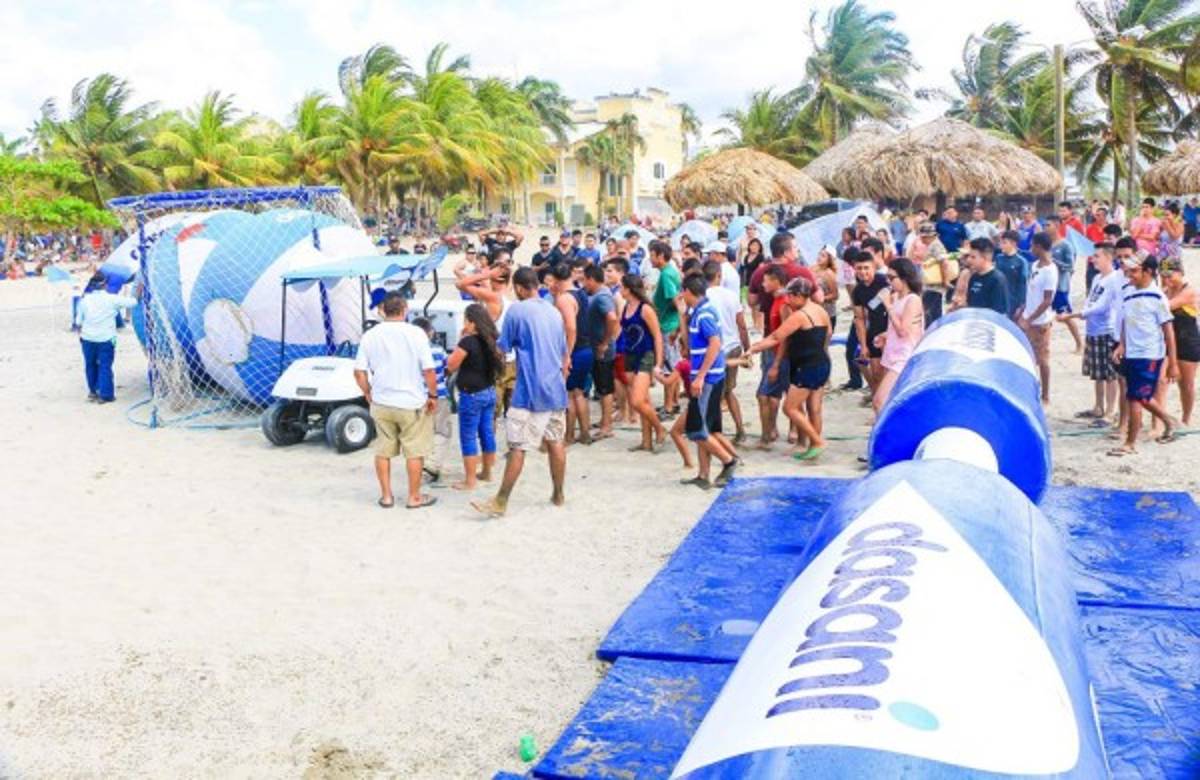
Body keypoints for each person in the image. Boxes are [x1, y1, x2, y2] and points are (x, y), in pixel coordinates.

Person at [472, 267, 570, 517]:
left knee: (518, 446)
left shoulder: (517, 310)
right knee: (556, 441)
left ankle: (501, 501)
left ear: (518, 288)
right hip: (555, 388)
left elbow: (503, 348)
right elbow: (562, 350)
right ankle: (558, 494)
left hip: (529, 391)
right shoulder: (553, 311)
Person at [353, 292, 439, 510]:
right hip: (411, 402)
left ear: (383, 310)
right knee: (414, 451)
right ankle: (414, 497)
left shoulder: (370, 335)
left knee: (383, 451)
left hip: (382, 401)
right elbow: (429, 370)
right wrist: (433, 395)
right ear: (405, 310)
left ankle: (386, 496)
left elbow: (359, 372)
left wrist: (367, 392)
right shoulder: (416, 333)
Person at [748, 276, 831, 461]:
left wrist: (754, 348)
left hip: (806, 366)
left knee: (790, 407)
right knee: (814, 408)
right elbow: (829, 334)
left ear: (799, 296)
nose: (787, 300)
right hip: (822, 362)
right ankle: (813, 448)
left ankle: (817, 441)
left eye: (790, 296)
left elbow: (776, 337)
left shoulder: (799, 316)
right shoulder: (821, 310)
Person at [1110, 255, 1179, 456]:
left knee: (1134, 397)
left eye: (1134, 271)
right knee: (1142, 396)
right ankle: (1169, 421)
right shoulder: (1128, 292)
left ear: (1148, 272)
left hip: (1149, 354)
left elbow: (1168, 331)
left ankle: (1130, 443)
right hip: (1131, 351)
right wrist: (1122, 344)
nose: (1129, 275)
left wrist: (1173, 362)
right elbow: (1125, 320)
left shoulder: (1157, 297)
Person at [678, 274, 738, 489]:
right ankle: (703, 474)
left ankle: (728, 461)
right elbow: (692, 343)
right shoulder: (700, 311)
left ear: (688, 291)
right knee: (705, 428)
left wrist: (701, 376)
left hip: (708, 378)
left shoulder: (703, 314)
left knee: (697, 430)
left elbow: (715, 343)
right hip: (710, 375)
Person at [1059, 242, 1122, 425]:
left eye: (1097, 256)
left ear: (1108, 257)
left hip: (1106, 330)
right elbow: (1090, 301)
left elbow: (1102, 306)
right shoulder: (1097, 278)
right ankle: (1098, 406)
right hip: (1093, 330)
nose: (1093, 259)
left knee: (1110, 373)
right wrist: (1080, 313)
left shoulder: (1114, 279)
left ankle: (1110, 411)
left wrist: (1073, 315)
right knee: (1097, 372)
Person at [445, 303, 502, 490]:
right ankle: (486, 472)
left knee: (468, 437)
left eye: (465, 321)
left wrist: (461, 339)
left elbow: (451, 365)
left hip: (471, 394)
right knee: (486, 432)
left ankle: (470, 481)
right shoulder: (491, 339)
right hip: (489, 391)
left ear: (472, 322)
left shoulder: (468, 342)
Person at [618, 274, 669, 452]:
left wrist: (659, 362)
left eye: (621, 287)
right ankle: (646, 441)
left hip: (645, 354)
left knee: (637, 400)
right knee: (644, 400)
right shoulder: (626, 306)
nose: (619, 289)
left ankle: (659, 428)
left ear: (629, 289)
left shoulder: (645, 308)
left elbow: (657, 336)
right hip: (630, 354)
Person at [702, 260, 751, 443]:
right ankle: (739, 430)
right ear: (719, 276)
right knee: (728, 392)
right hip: (733, 346)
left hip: (714, 349)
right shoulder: (731, 296)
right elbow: (742, 325)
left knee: (714, 394)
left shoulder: (703, 297)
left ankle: (716, 434)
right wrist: (747, 349)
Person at [75, 271, 138, 403]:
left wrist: (81, 336)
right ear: (105, 285)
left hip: (87, 338)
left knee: (90, 365)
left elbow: (78, 322)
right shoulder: (112, 299)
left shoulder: (84, 301)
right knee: (105, 365)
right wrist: (139, 290)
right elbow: (133, 302)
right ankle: (106, 395)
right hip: (106, 338)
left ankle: (93, 392)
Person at [873, 258, 925, 411]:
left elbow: (904, 331)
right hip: (892, 352)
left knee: (879, 401)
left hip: (904, 355)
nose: (888, 282)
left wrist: (888, 306)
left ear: (904, 278)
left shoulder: (912, 300)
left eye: (892, 278)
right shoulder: (896, 297)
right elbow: (896, 327)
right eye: (887, 278)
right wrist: (885, 336)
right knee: (891, 400)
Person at [1019, 233, 1060, 404]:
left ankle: (1046, 395)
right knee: (1028, 357)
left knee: (1043, 359)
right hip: (1027, 316)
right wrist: (1023, 309)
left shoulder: (1050, 271)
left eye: (1033, 245)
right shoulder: (1035, 265)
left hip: (1040, 321)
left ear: (1039, 247)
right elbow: (1031, 291)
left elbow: (1047, 300)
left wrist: (1030, 319)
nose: (1030, 249)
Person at [755, 265, 792, 449]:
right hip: (774, 352)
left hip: (780, 355)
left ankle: (766, 436)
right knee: (771, 395)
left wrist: (777, 363)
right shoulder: (777, 300)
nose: (763, 284)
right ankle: (770, 431)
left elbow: (785, 335)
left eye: (766, 280)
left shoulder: (784, 303)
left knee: (764, 395)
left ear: (776, 281)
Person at [581, 264, 619, 440]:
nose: (584, 284)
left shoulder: (602, 296)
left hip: (602, 349)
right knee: (602, 387)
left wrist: (605, 342)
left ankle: (607, 426)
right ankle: (605, 421)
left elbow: (612, 318)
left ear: (591, 279)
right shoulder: (600, 295)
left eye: (585, 280)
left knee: (605, 388)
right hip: (598, 346)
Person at [412, 317, 452, 483]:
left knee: (420, 432)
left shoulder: (410, 352)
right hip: (439, 396)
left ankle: (419, 465)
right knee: (441, 431)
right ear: (430, 333)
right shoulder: (438, 350)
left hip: (416, 397)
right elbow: (447, 367)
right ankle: (433, 465)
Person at [1161, 258, 1198, 426]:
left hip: (1187, 340)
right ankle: (1160, 420)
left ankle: (1186, 419)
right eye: (1163, 275)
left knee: (1186, 384)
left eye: (1170, 275)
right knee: (1161, 381)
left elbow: (1165, 307)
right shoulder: (1164, 291)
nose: (1166, 279)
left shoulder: (1189, 292)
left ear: (1181, 273)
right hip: (1168, 340)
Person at [650, 240, 685, 417]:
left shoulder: (666, 275)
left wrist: (678, 327)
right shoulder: (671, 271)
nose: (650, 259)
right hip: (670, 324)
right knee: (673, 365)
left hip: (667, 326)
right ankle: (674, 402)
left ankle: (669, 405)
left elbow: (675, 300)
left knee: (669, 368)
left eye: (652, 255)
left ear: (661, 256)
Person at [850, 249, 889, 399]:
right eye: (859, 268)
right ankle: (878, 402)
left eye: (866, 268)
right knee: (877, 373)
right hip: (874, 333)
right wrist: (864, 345)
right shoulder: (857, 291)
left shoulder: (884, 281)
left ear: (874, 267)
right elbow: (859, 319)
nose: (863, 272)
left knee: (891, 374)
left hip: (891, 332)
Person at [1044, 218, 1084, 353]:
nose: (1045, 227)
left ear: (1056, 226)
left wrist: (1054, 261)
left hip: (1060, 287)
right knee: (1044, 316)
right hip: (1047, 286)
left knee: (1065, 316)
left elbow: (1070, 267)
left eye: (1048, 225)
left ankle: (1079, 343)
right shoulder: (1046, 244)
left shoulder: (1066, 245)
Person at [958, 237, 1009, 315]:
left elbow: (999, 313)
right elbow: (970, 303)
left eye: (973, 257)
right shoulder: (974, 277)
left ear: (985, 258)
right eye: (969, 256)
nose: (969, 260)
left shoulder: (997, 280)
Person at [911, 222, 950, 324]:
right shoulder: (932, 245)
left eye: (923, 237)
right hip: (929, 286)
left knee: (932, 315)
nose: (921, 239)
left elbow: (944, 262)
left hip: (935, 287)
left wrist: (945, 280)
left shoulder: (936, 246)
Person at [995, 230, 1029, 319]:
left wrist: (1021, 305)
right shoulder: (998, 258)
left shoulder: (1021, 262)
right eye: (1000, 243)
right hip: (998, 300)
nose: (1001, 245)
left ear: (1013, 244)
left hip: (1012, 302)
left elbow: (1023, 284)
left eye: (1004, 243)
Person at [1084, 205, 1109, 292]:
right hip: (1092, 261)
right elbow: (1086, 244)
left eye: (1099, 215)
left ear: (1104, 216)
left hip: (1106, 261)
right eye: (1096, 215)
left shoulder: (1110, 228)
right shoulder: (1090, 228)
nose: (1096, 217)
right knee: (1090, 286)